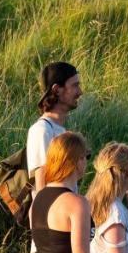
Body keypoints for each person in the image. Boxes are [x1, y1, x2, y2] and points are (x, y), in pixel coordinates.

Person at [26, 61, 83, 191]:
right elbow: (41, 187)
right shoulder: (42, 130)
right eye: (75, 86)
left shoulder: (60, 130)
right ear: (57, 90)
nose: (80, 92)